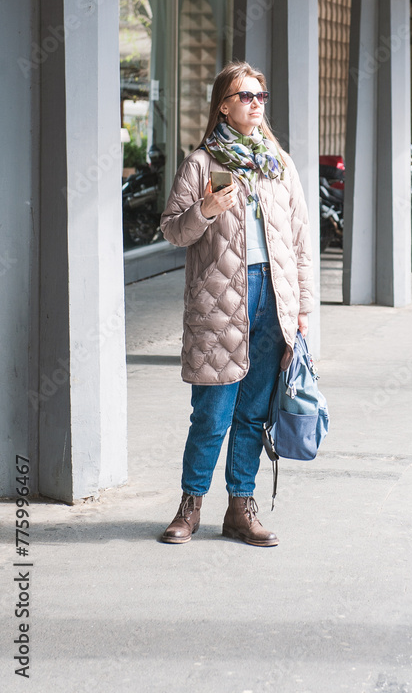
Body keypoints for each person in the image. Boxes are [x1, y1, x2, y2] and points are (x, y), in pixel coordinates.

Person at [159, 60, 315, 547]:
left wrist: (304, 308)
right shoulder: (201, 163)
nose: (255, 104)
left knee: (253, 412)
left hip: (275, 297)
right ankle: (190, 506)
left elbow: (300, 239)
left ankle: (241, 506)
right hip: (220, 300)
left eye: (260, 97)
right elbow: (171, 230)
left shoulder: (278, 162)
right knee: (212, 411)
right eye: (246, 96)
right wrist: (205, 209)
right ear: (223, 105)